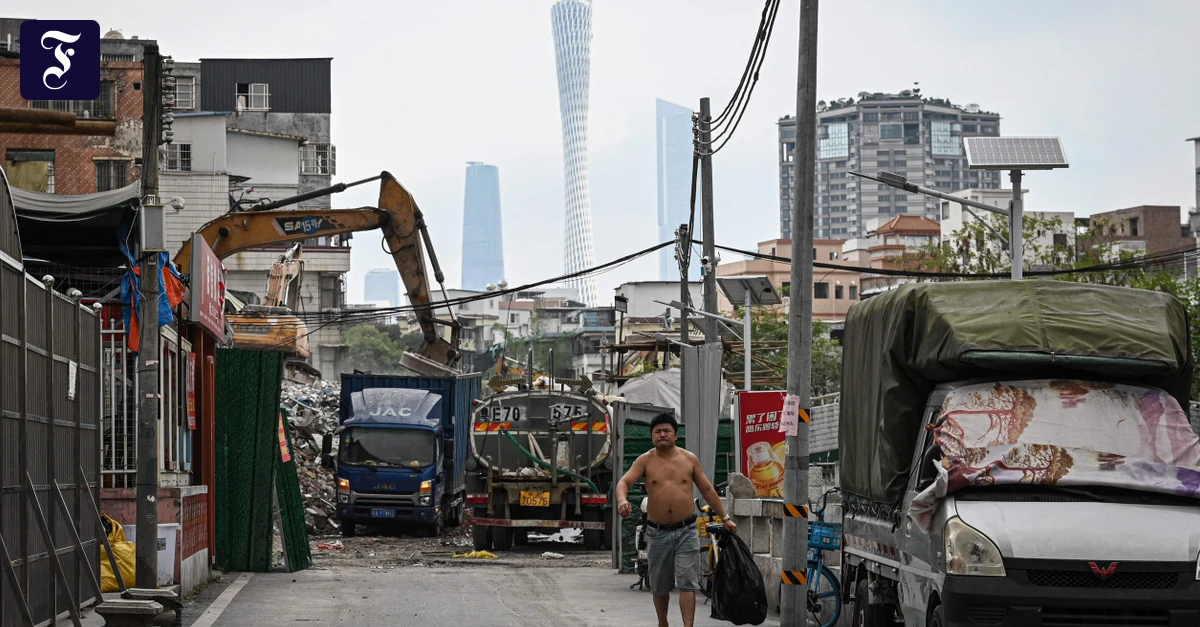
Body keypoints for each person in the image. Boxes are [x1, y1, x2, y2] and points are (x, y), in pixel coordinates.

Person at [616, 412, 736, 627]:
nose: (662, 434)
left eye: (666, 431)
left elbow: (707, 489)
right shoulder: (644, 460)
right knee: (660, 587)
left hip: (686, 530)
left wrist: (725, 517)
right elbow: (624, 482)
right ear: (652, 436)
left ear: (676, 435)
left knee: (687, 583)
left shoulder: (689, 459)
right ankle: (663, 622)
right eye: (657, 432)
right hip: (656, 532)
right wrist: (622, 500)